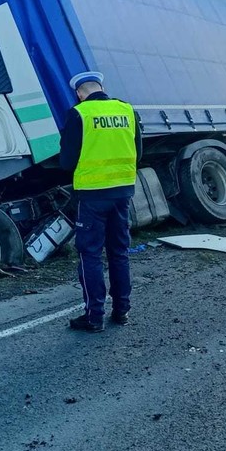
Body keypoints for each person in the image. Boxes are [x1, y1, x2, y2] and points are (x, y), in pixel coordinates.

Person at [58, 71, 142, 333]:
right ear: (102, 87)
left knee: (90, 254)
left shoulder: (79, 113)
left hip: (93, 195)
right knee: (119, 252)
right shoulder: (127, 110)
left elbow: (67, 161)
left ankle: (94, 317)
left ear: (79, 93)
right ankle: (122, 311)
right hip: (123, 193)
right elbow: (138, 151)